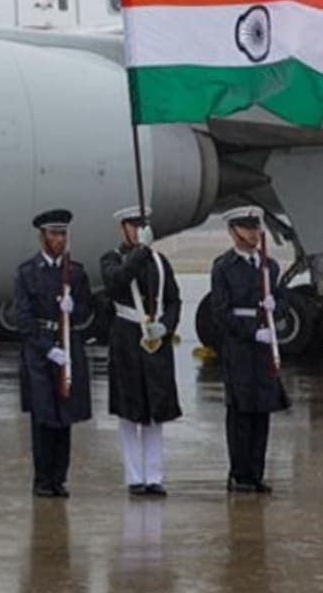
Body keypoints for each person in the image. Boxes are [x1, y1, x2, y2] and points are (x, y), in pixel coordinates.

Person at [99, 206, 182, 497]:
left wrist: (167, 326)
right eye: (133, 226)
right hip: (126, 337)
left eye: (141, 225)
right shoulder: (112, 258)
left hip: (154, 338)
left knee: (154, 410)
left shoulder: (160, 262)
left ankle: (154, 475)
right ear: (122, 228)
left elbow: (174, 300)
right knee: (129, 411)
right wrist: (141, 251)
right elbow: (118, 280)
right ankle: (135, 477)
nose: (137, 230)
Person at [210, 206, 289, 494]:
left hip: (264, 346)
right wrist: (251, 331)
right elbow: (220, 312)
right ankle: (239, 473)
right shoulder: (224, 267)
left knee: (262, 411)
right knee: (241, 412)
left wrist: (275, 307)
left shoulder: (269, 267)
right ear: (234, 232)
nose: (254, 234)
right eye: (247, 228)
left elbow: (282, 299)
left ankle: (256, 473)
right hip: (240, 346)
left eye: (256, 228)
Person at [14, 209, 92, 498]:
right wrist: (48, 349)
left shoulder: (75, 273)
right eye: (53, 234)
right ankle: (43, 479)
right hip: (40, 351)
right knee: (43, 418)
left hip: (68, 344)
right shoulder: (27, 273)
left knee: (65, 418)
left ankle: (59, 478)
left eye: (62, 234)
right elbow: (22, 319)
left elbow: (87, 312)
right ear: (42, 236)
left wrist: (75, 309)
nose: (59, 239)